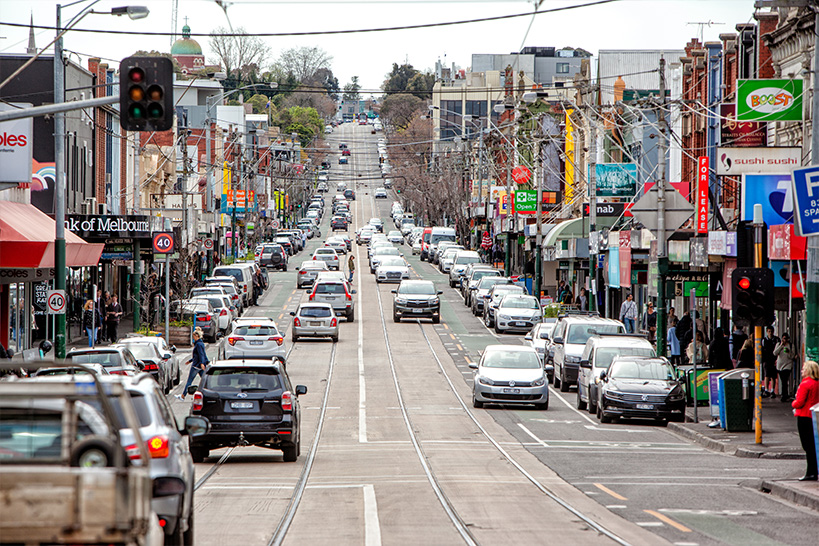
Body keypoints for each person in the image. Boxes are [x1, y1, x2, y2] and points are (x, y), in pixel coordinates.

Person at [792, 360, 819, 481]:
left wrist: (793, 403)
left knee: (807, 446)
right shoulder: (816, 383)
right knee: (813, 445)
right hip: (814, 415)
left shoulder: (805, 384)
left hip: (804, 416)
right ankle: (814, 471)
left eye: (803, 369)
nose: (802, 370)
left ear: (808, 370)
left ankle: (810, 472)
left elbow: (799, 402)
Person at [176, 329, 209, 401]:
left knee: (189, 381)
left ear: (197, 336)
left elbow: (201, 355)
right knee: (205, 380)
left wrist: (202, 363)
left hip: (196, 366)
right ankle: (209, 393)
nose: (193, 338)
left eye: (194, 336)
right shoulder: (201, 343)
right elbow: (200, 355)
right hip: (199, 365)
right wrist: (190, 361)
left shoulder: (198, 344)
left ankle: (183, 396)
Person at [774, 333, 795, 402]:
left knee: (784, 380)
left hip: (788, 365)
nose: (785, 340)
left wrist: (789, 352)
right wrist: (781, 346)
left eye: (786, 338)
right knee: (783, 380)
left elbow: (792, 356)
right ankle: (785, 394)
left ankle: (784, 395)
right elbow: (775, 353)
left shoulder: (791, 346)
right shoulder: (778, 344)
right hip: (780, 366)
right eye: (783, 338)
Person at [761, 326, 780, 398]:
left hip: (773, 359)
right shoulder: (764, 340)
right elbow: (762, 349)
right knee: (766, 375)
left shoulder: (776, 340)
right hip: (766, 360)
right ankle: (766, 389)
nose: (770, 333)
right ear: (767, 332)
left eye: (771, 331)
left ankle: (772, 390)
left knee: (773, 376)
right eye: (769, 331)